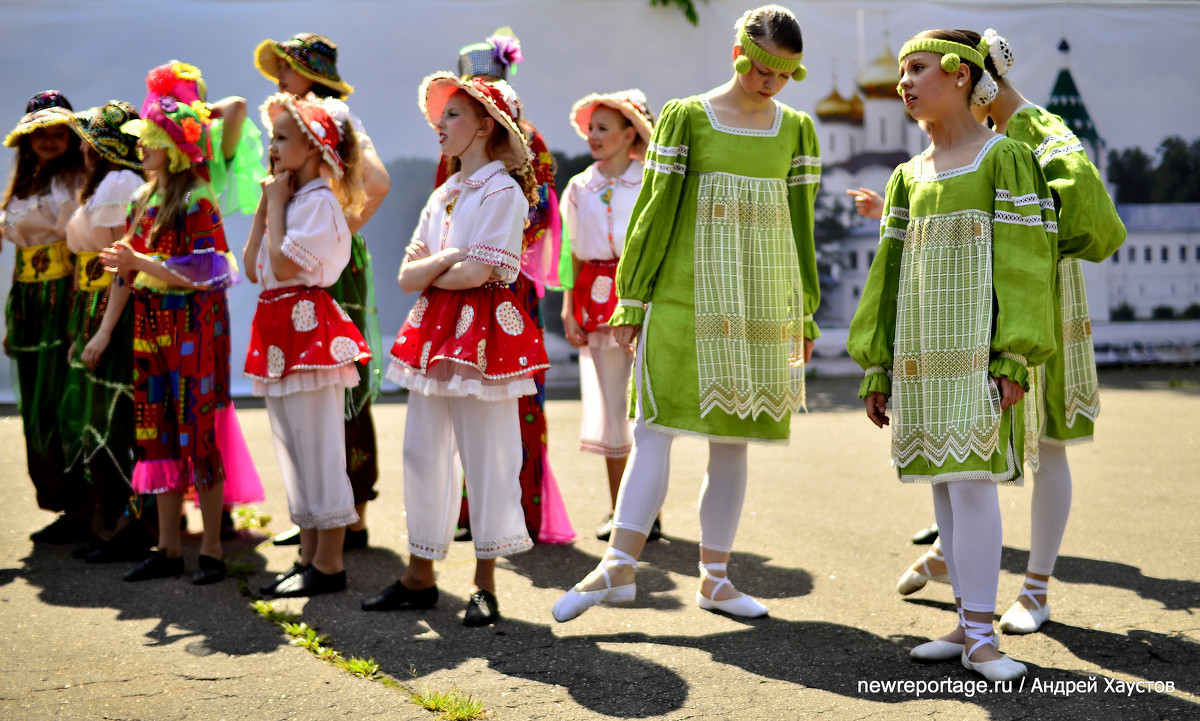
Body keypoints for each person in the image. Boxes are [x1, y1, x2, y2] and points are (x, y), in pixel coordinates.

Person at [552, 4, 821, 623]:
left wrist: (803, 314)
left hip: (757, 304)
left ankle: (716, 580)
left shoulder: (797, 130)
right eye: (761, 71)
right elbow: (654, 211)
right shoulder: (687, 117)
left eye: (783, 76)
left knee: (733, 442)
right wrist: (632, 295)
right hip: (680, 297)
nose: (769, 85)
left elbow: (800, 228)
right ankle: (617, 566)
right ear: (739, 57)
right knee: (654, 429)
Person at [861, 29, 1126, 636]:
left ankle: (1035, 588)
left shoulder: (1033, 131)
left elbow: (1097, 227)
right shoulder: (941, 148)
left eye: (929, 69)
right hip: (961, 309)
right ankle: (962, 578)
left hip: (1039, 299)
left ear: (972, 77)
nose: (911, 84)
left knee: (1048, 440)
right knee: (970, 451)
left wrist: (1022, 231)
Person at [846, 29, 1060, 681]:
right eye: (900, 71)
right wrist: (877, 362)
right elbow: (886, 274)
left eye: (916, 69)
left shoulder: (1003, 158)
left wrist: (1011, 356)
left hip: (977, 356)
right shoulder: (909, 175)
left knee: (972, 488)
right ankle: (965, 623)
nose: (903, 82)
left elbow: (1025, 266)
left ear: (962, 76)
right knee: (943, 487)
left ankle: (982, 639)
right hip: (919, 355)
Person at [361, 72, 547, 626]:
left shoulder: (503, 190)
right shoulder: (445, 193)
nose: (440, 125)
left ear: (486, 126)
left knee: (487, 453)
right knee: (423, 448)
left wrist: (440, 265)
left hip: (485, 333)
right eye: (442, 116)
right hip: (437, 331)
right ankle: (420, 573)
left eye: (454, 116)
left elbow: (479, 272)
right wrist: (445, 262)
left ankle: (485, 582)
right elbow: (406, 275)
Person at [103, 84, 252, 585]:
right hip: (151, 326)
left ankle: (210, 548)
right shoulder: (146, 198)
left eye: (147, 139)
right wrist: (104, 333)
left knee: (199, 432)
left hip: (194, 326)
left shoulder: (198, 197)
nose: (140, 148)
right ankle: (167, 547)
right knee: (157, 432)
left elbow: (210, 272)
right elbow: (126, 272)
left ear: (171, 147)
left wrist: (141, 262)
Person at [255, 33, 390, 549]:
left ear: (312, 72)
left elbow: (376, 183)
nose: (280, 76)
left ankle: (349, 515)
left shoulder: (332, 112)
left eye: (287, 66)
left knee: (337, 384)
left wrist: (336, 231)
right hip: (299, 258)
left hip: (321, 267)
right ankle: (320, 513)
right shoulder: (295, 117)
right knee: (307, 384)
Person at [445, 29, 574, 545]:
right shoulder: (453, 139)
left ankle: (520, 510)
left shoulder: (527, 139)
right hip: (460, 284)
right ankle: (469, 509)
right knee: (464, 396)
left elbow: (538, 211)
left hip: (507, 286)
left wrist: (492, 243)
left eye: (482, 84)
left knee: (516, 399)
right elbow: (443, 204)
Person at [247, 93, 372, 598]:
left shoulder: (319, 201)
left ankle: (330, 563)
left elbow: (281, 267)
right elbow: (255, 263)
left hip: (306, 326)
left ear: (316, 145)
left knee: (319, 447)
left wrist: (276, 206)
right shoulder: (294, 199)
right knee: (296, 447)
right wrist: (265, 205)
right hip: (281, 323)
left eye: (282, 138)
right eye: (272, 137)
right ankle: (308, 556)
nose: (272, 147)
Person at [559, 89, 654, 539]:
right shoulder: (579, 187)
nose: (593, 135)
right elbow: (569, 252)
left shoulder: (652, 179)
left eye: (603, 127)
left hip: (644, 297)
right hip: (595, 298)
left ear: (628, 132)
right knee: (614, 407)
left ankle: (647, 512)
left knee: (648, 410)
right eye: (591, 127)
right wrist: (568, 305)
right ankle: (620, 510)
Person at [59, 100, 151, 562]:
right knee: (102, 418)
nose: (80, 145)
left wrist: (104, 330)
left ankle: (128, 527)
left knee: (117, 418)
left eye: (88, 137)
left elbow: (125, 264)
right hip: (96, 304)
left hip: (117, 305)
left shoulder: (120, 182)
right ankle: (111, 523)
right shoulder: (104, 183)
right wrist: (84, 326)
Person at [1, 90, 89, 544]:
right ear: (27, 139)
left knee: (61, 402)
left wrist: (76, 313)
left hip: (59, 295)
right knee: (33, 406)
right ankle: (58, 500)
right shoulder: (23, 184)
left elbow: (78, 253)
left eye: (60, 132)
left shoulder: (76, 180)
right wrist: (11, 320)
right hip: (28, 301)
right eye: (41, 132)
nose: (51, 140)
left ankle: (83, 505)